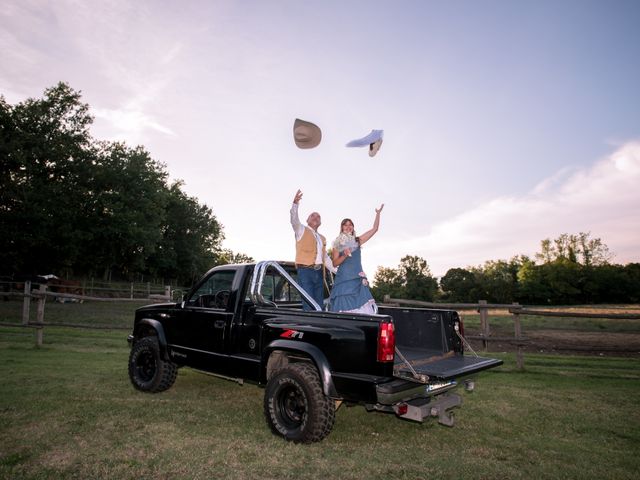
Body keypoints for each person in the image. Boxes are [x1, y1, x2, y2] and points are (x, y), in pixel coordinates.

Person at [329, 204, 384, 314]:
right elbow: (334, 263)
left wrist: (378, 214)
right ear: (342, 228)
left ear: (353, 227)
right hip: (344, 279)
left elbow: (374, 229)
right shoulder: (337, 243)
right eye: (345, 225)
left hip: (356, 278)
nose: (348, 227)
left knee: (362, 307)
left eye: (350, 225)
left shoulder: (358, 240)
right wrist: (344, 255)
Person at [290, 189, 336, 311]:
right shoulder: (301, 230)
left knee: (319, 306)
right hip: (305, 272)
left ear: (320, 222)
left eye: (318, 216)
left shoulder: (322, 238)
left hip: (319, 274)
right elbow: (294, 220)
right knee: (309, 305)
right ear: (307, 220)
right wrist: (295, 204)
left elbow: (326, 259)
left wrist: (340, 272)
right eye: (313, 215)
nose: (316, 217)